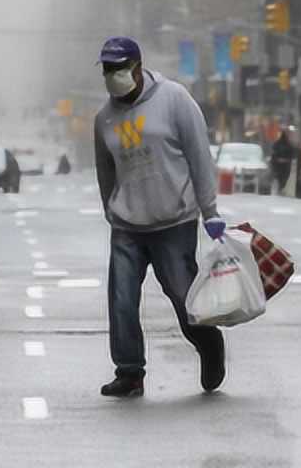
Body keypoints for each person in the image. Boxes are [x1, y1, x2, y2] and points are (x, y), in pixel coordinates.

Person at [93, 36, 226, 398]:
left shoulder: (174, 99)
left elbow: (199, 155)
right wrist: (112, 208)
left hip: (174, 221)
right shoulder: (104, 118)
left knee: (185, 299)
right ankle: (129, 372)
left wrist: (210, 210)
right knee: (121, 301)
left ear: (137, 67)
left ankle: (209, 343)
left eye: (118, 68)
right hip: (127, 227)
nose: (112, 76)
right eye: (107, 69)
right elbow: (105, 170)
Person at [270, 127, 296, 194]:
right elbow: (292, 154)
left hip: (279, 164)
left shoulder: (277, 144)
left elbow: (273, 154)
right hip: (284, 164)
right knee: (284, 177)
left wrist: (277, 160)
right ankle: (281, 188)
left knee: (280, 177)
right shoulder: (289, 145)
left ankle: (280, 188)